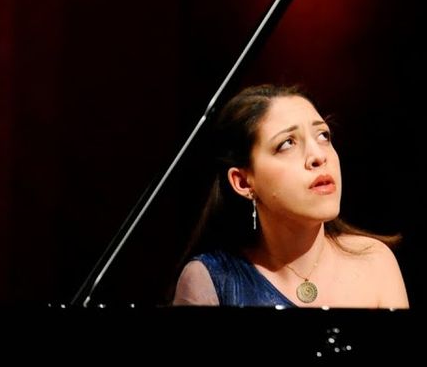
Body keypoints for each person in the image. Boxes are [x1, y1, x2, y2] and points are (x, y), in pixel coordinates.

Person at [173, 84, 409, 308]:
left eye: (323, 136)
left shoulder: (375, 262)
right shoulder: (210, 279)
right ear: (243, 182)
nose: (318, 156)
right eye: (287, 144)